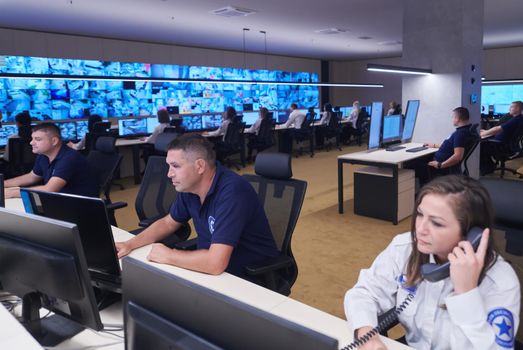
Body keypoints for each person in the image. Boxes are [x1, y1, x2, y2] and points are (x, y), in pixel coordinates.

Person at [345, 175, 520, 350]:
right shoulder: (405, 248)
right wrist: (368, 336)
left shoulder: (499, 281)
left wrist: (466, 293)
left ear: (470, 234)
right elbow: (364, 293)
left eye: (436, 223)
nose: (420, 229)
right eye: (420, 214)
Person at [115, 134, 279, 280]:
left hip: (248, 276)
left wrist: (170, 255)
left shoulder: (233, 192)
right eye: (169, 166)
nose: (169, 174)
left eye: (176, 166)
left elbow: (216, 264)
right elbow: (168, 223)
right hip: (209, 268)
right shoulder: (190, 189)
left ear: (200, 166)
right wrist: (130, 244)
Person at [3, 122, 98, 199]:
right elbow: (31, 177)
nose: (31, 143)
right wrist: (3, 184)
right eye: (32, 139)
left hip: (80, 207)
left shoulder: (69, 158)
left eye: (38, 139)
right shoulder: (43, 156)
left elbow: (49, 189)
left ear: (54, 141)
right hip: (60, 201)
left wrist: (12, 193)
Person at [406, 107, 476, 185]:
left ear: (457, 118)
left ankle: (421, 192)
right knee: (417, 160)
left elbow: (458, 156)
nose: (452, 119)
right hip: (441, 163)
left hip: (438, 167)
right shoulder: (465, 131)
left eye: (452, 117)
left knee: (409, 165)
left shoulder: (460, 134)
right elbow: (452, 145)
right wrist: (434, 145)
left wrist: (440, 165)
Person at [479, 101, 523, 175]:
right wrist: (487, 131)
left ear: (518, 108)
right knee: (484, 143)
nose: (509, 109)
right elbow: (497, 128)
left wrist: (483, 133)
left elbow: (497, 129)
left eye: (511, 107)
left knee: (480, 146)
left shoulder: (515, 120)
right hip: (505, 144)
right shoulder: (518, 119)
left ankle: (487, 168)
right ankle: (489, 166)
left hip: (502, 146)